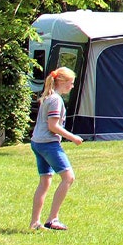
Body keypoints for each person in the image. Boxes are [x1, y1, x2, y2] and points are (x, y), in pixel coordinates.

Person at [30, 67, 83, 231]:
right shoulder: (56, 100)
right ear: (63, 82)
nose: (72, 86)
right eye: (71, 83)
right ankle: (52, 219)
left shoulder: (48, 97)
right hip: (48, 143)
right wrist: (73, 137)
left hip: (37, 142)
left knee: (45, 182)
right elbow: (53, 126)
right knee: (69, 177)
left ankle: (35, 223)